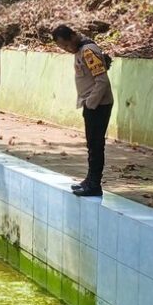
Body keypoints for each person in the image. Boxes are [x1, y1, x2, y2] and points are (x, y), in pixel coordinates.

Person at [52, 25, 113, 197]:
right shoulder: (80, 50)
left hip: (98, 105)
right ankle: (90, 180)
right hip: (92, 104)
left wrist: (90, 104)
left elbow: (102, 81)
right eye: (62, 48)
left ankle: (94, 184)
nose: (66, 49)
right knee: (91, 145)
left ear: (73, 36)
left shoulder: (88, 51)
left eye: (66, 45)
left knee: (96, 145)